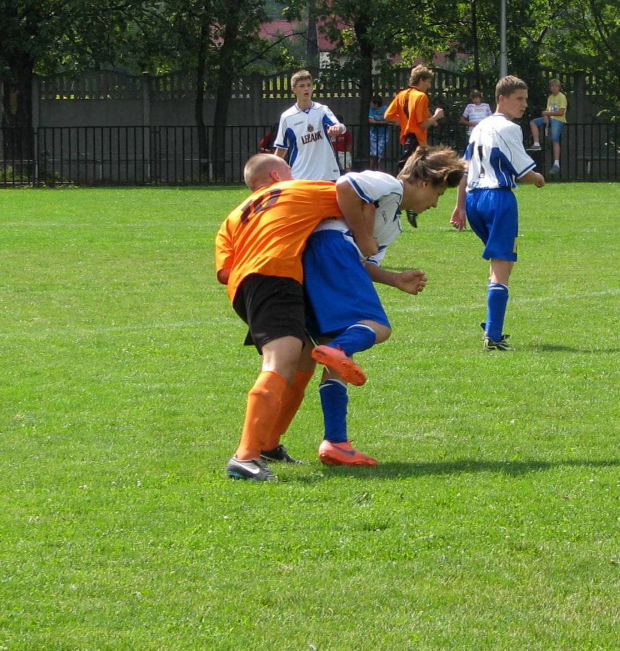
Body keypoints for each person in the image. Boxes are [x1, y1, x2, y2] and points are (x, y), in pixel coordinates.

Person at [215, 154, 376, 482]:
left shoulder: (233, 217)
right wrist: (366, 240)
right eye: (290, 172)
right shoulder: (297, 190)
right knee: (281, 361)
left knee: (303, 360)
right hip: (276, 276)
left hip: (246, 286)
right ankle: (245, 456)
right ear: (277, 175)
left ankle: (269, 443)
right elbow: (353, 195)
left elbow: (224, 271)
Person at [304, 145, 466, 465]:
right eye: (439, 193)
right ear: (424, 182)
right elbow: (345, 186)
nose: (435, 203)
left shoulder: (393, 224)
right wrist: (364, 236)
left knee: (337, 353)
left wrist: (394, 278)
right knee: (377, 326)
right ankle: (338, 348)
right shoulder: (389, 185)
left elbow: (364, 262)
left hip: (320, 259)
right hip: (331, 247)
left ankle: (335, 442)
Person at [450, 75, 545, 351]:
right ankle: (493, 335)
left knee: (497, 263)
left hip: (474, 199)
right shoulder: (509, 128)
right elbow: (524, 173)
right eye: (519, 99)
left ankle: (492, 323)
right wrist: (539, 178)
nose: (524, 105)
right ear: (501, 99)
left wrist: (459, 205)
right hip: (498, 199)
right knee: (503, 266)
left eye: (525, 99)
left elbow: (464, 168)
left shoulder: (479, 127)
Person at [384, 64, 444, 225]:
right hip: (417, 140)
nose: (429, 86)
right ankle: (392, 206)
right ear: (421, 80)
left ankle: (405, 206)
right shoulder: (421, 96)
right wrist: (436, 117)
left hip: (409, 138)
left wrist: (405, 121)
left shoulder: (402, 94)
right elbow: (422, 124)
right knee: (408, 175)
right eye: (428, 82)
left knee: (415, 175)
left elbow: (388, 115)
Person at [273, 70, 344, 180]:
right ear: (294, 90)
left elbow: (339, 126)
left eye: (308, 85)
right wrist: (271, 169)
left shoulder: (322, 110)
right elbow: (282, 147)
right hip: (300, 175)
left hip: (326, 174)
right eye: (301, 86)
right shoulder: (287, 117)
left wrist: (338, 128)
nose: (306, 88)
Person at [529, 78, 568, 175]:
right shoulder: (550, 98)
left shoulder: (561, 97)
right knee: (533, 122)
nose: (554, 88)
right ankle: (536, 143)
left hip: (558, 119)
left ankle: (556, 163)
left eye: (556, 86)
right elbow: (548, 110)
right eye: (552, 86)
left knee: (555, 139)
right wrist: (546, 115)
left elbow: (561, 112)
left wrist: (547, 113)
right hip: (551, 118)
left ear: (559, 87)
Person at [368, 95, 391, 169]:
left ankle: (377, 168)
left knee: (378, 152)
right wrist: (381, 122)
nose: (370, 104)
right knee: (373, 152)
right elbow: (371, 120)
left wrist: (377, 122)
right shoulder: (371, 109)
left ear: (376, 104)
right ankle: (372, 169)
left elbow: (388, 120)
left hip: (383, 134)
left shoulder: (385, 109)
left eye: (372, 103)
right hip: (374, 133)